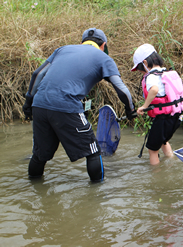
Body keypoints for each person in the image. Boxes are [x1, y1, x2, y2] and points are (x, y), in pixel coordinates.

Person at [22, 28, 136, 182]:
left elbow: (38, 74)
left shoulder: (62, 50)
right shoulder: (103, 58)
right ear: (104, 45)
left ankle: (34, 189)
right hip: (67, 105)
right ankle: (96, 196)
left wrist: (29, 101)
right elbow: (122, 90)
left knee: (40, 155)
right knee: (93, 152)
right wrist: (130, 110)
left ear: (82, 42)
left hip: (40, 104)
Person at [131, 44, 183, 165]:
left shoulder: (151, 76)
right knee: (163, 141)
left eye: (139, 68)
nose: (140, 71)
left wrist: (144, 106)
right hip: (175, 117)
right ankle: (172, 160)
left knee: (152, 149)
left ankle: (157, 176)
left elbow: (154, 90)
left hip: (162, 119)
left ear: (145, 62)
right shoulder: (166, 72)